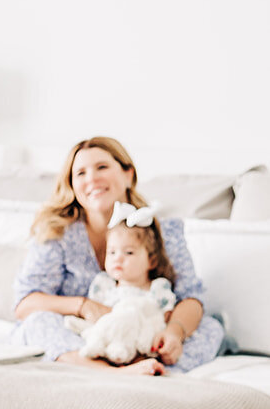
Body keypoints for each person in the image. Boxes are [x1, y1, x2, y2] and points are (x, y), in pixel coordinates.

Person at [11, 136, 224, 376]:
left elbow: (191, 298)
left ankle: (154, 366)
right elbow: (25, 304)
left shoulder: (163, 231)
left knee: (211, 328)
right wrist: (83, 306)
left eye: (102, 167)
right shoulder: (57, 233)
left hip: (146, 336)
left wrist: (174, 331)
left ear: (128, 174)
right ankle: (110, 372)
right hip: (86, 338)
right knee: (37, 323)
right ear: (72, 184)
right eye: (80, 173)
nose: (92, 178)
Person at [67, 204, 177, 364]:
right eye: (112, 252)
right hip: (108, 338)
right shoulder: (104, 285)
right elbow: (96, 317)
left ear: (151, 260)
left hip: (139, 343)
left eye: (129, 252)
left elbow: (162, 320)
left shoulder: (157, 288)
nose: (118, 258)